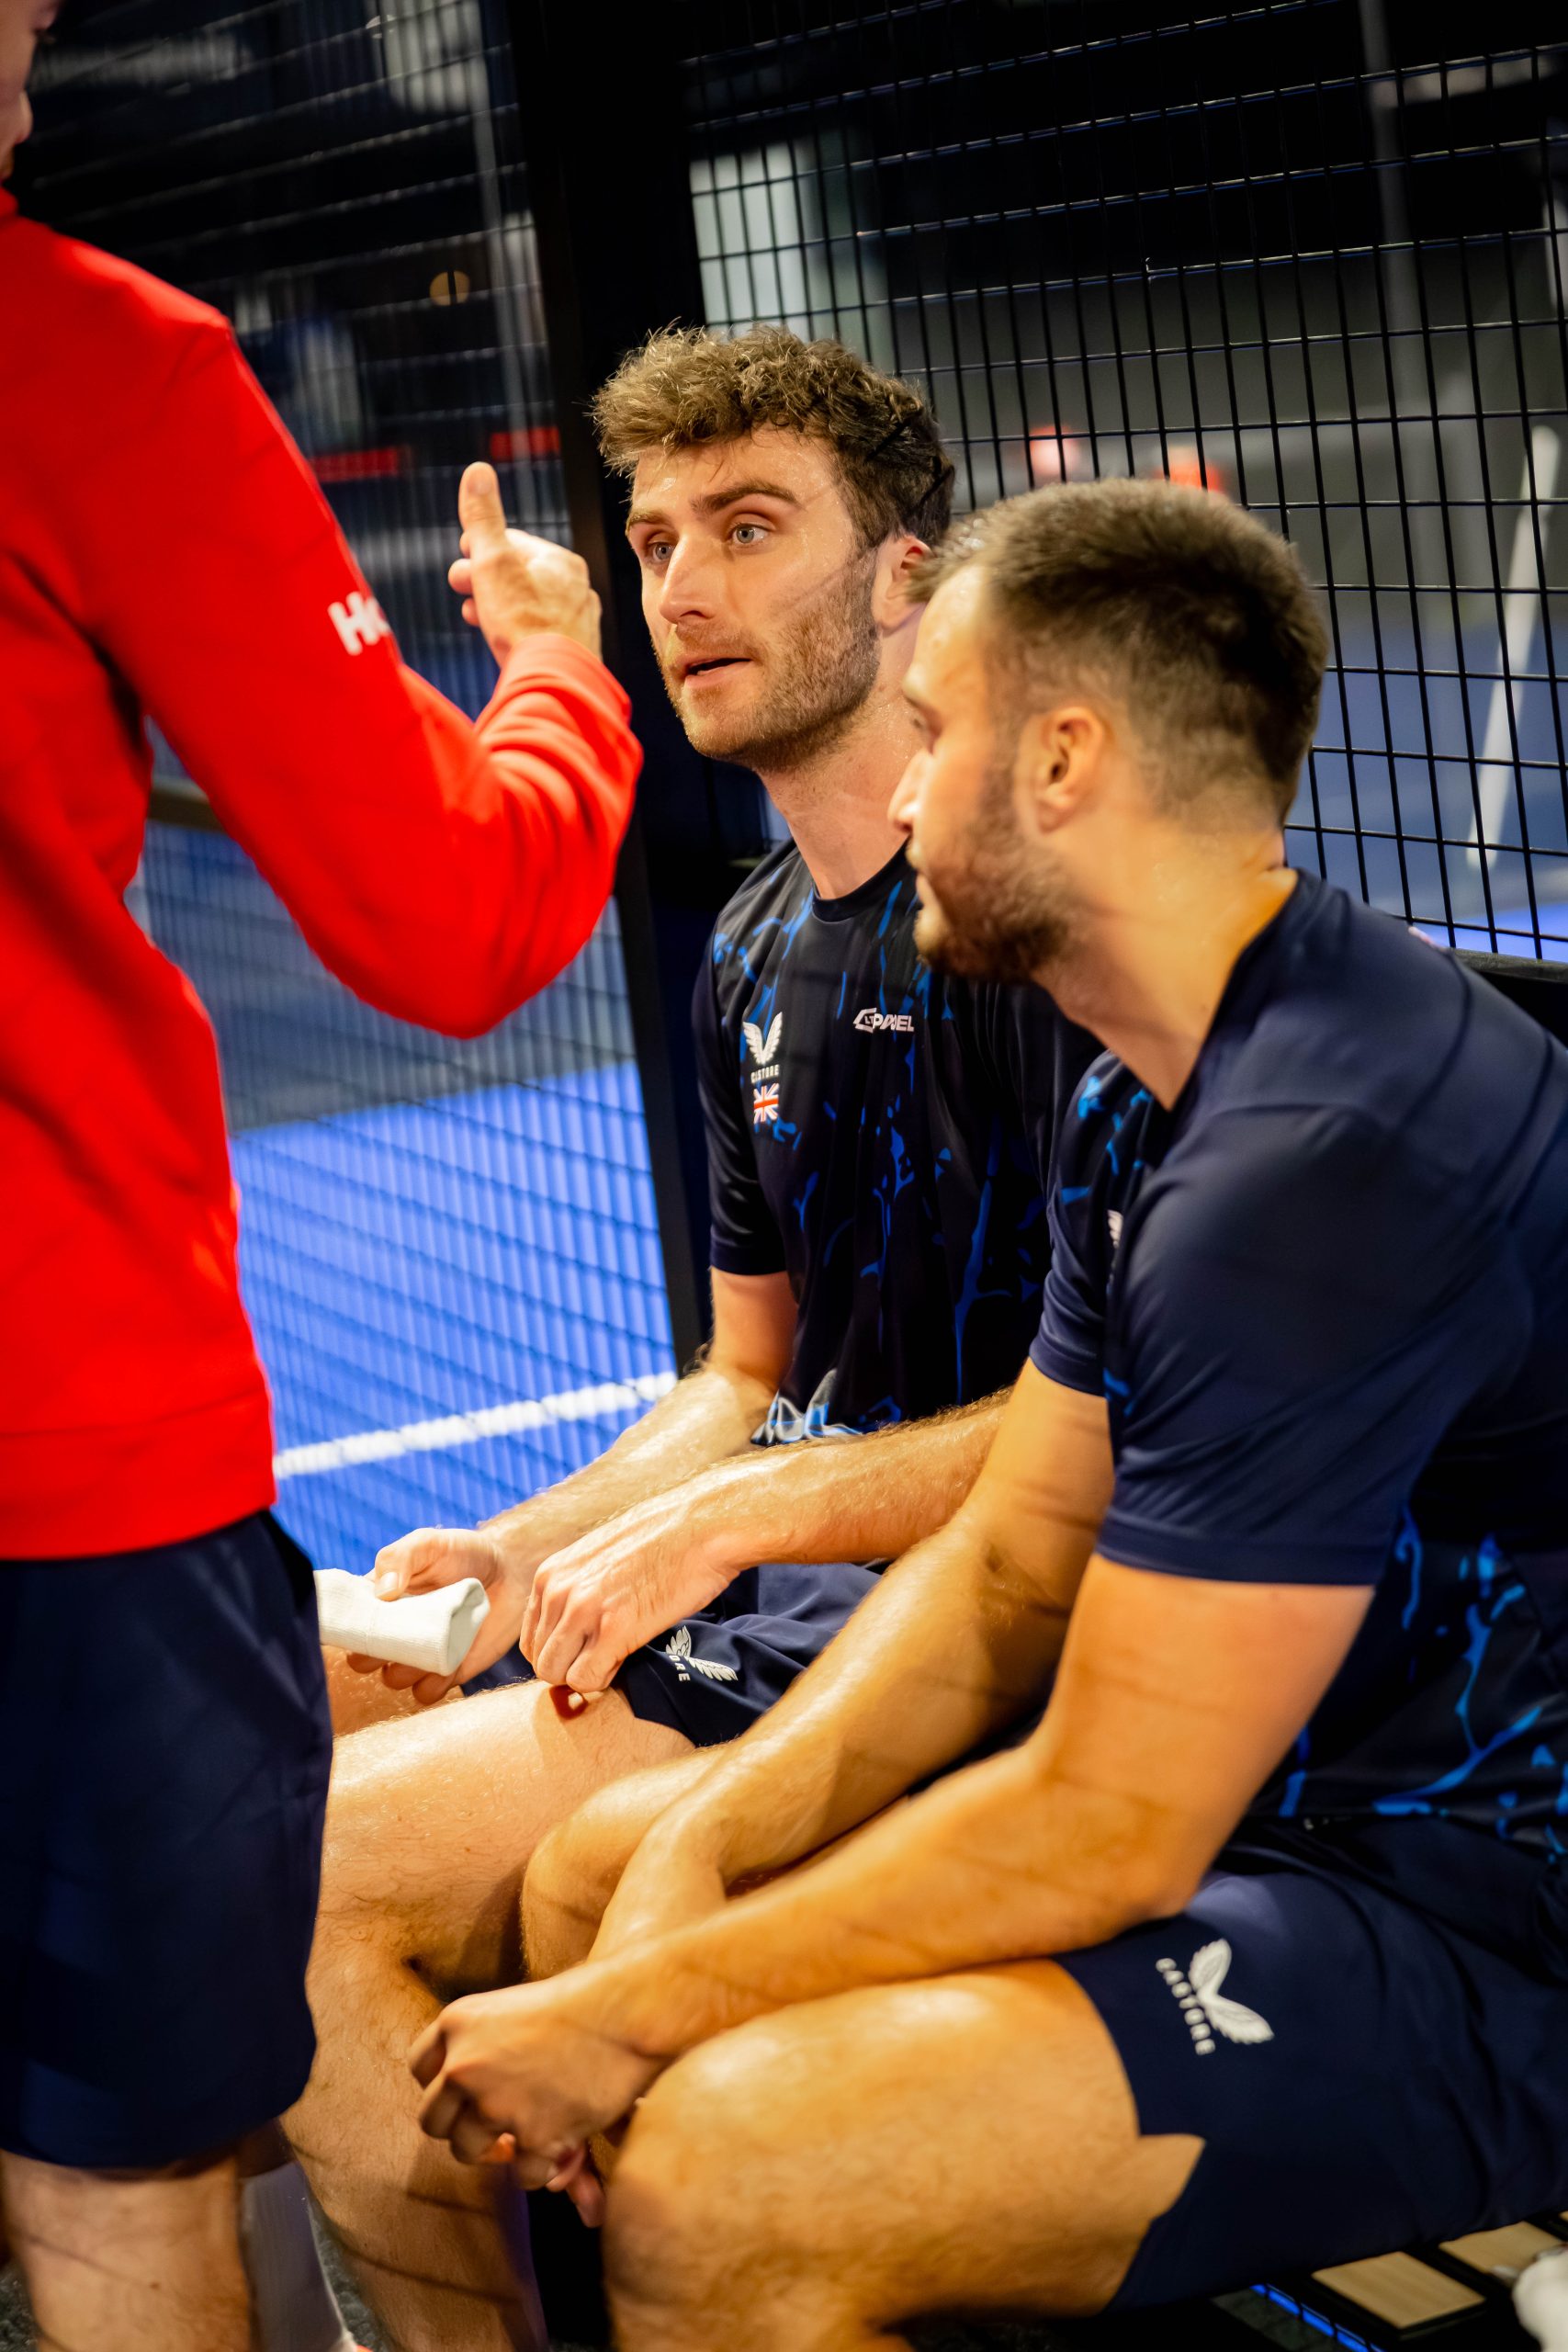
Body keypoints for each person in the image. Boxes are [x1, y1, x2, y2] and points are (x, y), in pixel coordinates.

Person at [413, 476, 1568, 2352]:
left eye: (934, 732)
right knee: (612, 1867)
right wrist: (708, 1842)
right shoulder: (1145, 1079)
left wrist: (642, 2004)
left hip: (1478, 1918)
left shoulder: (1318, 1158)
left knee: (727, 2167)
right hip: (1269, 1819)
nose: (897, 798)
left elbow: (1111, 1823)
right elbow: (1014, 1566)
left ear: (1061, 762)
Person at [290, 327, 1095, 2349]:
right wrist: (523, 1548)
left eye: (749, 528)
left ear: (907, 576)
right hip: (787, 1583)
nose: (684, 589)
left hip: (969, 1623)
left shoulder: (1032, 923)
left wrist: (734, 1524)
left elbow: (1123, 1416)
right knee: (316, 1710)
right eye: (654, 543)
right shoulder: (746, 939)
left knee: (302, 1883)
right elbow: (748, 1377)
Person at [0, 6, 639, 2346]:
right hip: (60, 1442)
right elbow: (448, 915)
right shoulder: (89, 359)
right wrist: (559, 679)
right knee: (120, 2178)